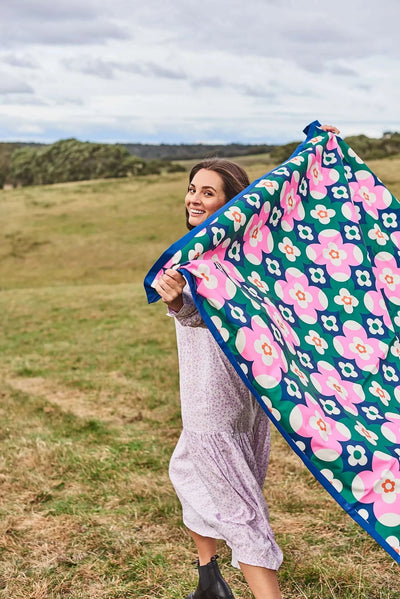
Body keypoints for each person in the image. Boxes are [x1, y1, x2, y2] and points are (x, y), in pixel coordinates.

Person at [154, 125, 340, 599]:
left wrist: (178, 303)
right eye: (192, 188)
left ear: (230, 204)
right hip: (246, 400)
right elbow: (285, 212)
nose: (195, 198)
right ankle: (208, 578)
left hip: (213, 408)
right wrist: (311, 153)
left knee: (240, 510)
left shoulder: (202, 261)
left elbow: (196, 311)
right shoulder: (245, 253)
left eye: (208, 192)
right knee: (190, 474)